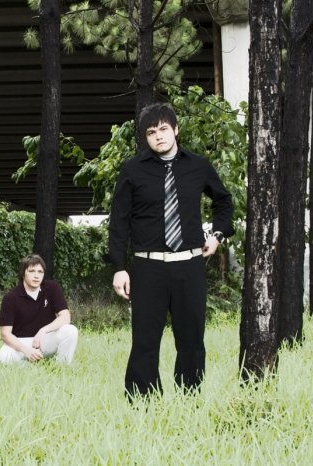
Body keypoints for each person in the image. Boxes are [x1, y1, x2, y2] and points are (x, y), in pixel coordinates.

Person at [109, 102, 233, 398]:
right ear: (146, 137)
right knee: (145, 340)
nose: (159, 136)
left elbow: (223, 201)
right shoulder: (132, 170)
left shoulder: (198, 166)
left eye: (164, 129)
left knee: (191, 339)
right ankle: (142, 402)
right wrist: (119, 267)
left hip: (189, 265)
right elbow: (119, 221)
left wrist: (217, 235)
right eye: (151, 132)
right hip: (148, 267)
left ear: (176, 130)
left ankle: (189, 399)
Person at [0, 254, 78, 365]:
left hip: (45, 339)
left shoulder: (52, 288)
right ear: (23, 273)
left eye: (40, 272)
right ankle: (29, 367)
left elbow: (65, 317)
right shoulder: (11, 297)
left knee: (70, 330)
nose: (36, 276)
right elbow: (5, 334)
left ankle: (62, 367)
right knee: (4, 356)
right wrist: (26, 350)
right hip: (22, 343)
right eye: (32, 271)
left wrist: (43, 330)